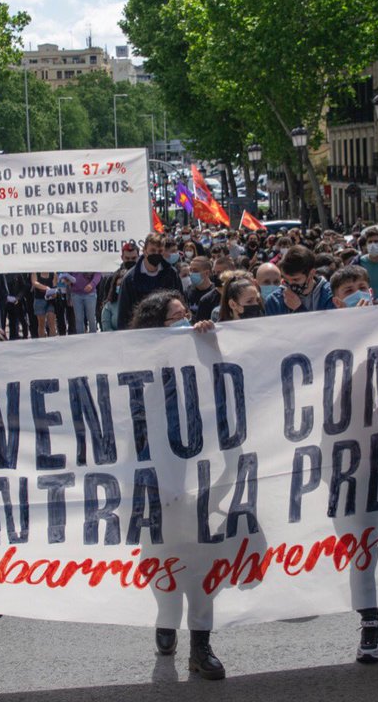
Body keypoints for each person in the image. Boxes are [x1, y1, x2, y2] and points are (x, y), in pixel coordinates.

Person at [128, 289, 222, 679]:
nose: (186, 321)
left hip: (200, 473)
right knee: (160, 556)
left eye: (187, 313)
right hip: (154, 480)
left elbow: (231, 380)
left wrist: (210, 342)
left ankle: (201, 645)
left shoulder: (200, 348)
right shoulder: (136, 363)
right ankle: (167, 617)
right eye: (175, 318)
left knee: (201, 560)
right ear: (156, 327)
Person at [116, 233, 182, 330]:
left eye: (160, 251)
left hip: (167, 332)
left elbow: (181, 302)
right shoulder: (130, 279)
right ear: (145, 251)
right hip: (141, 333)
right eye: (153, 250)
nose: (156, 254)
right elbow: (123, 315)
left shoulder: (171, 274)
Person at [264, 246, 335, 315]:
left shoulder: (331, 295)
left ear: (311, 273)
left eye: (296, 279)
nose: (290, 284)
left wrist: (299, 309)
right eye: (286, 279)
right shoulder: (274, 301)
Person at [185, 257, 220, 323]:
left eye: (195, 271)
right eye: (190, 270)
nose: (191, 274)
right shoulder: (188, 290)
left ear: (207, 273)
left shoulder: (216, 292)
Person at [67, 270, 101, 334]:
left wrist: (92, 284)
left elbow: (98, 273)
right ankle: (81, 339)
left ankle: (93, 338)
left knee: (91, 318)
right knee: (78, 319)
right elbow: (68, 275)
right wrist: (66, 280)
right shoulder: (72, 261)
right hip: (75, 293)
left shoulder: (92, 260)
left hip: (90, 293)